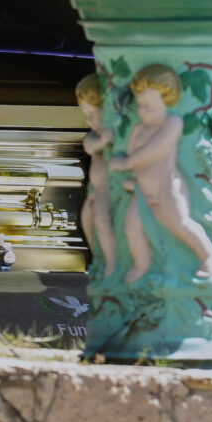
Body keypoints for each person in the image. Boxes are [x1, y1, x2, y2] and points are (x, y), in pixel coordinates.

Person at [110, 64, 212, 283]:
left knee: (179, 223)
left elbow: (156, 149)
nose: (143, 110)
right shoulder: (139, 129)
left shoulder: (173, 122)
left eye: (149, 105)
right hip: (142, 188)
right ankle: (142, 264)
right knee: (132, 228)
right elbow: (136, 156)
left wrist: (127, 162)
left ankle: (209, 258)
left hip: (167, 186)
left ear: (167, 99)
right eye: (140, 105)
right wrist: (133, 177)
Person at [76, 73, 119, 277]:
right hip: (94, 194)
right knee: (87, 221)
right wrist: (104, 140)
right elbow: (89, 145)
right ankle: (99, 260)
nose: (91, 121)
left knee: (102, 220)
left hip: (106, 193)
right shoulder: (96, 137)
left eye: (95, 115)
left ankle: (111, 264)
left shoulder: (120, 134)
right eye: (87, 116)